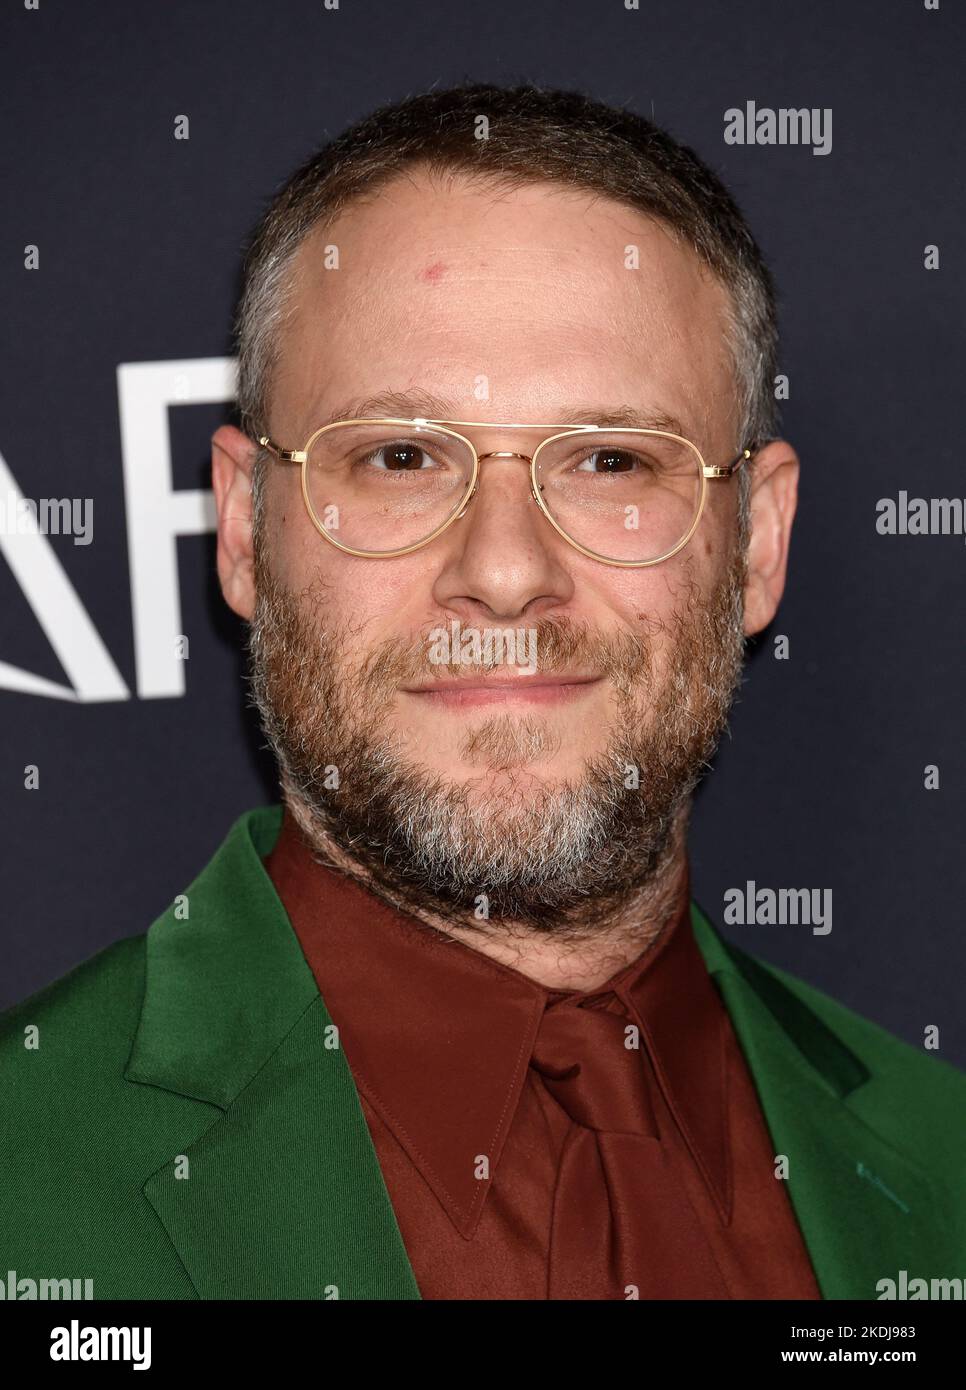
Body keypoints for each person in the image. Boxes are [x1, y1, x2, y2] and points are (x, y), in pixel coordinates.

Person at [2, 82, 964, 1302]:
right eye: (401, 458)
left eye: (612, 459)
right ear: (245, 527)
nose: (505, 573)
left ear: (758, 544)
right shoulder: (22, 1172)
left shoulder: (939, 1162)